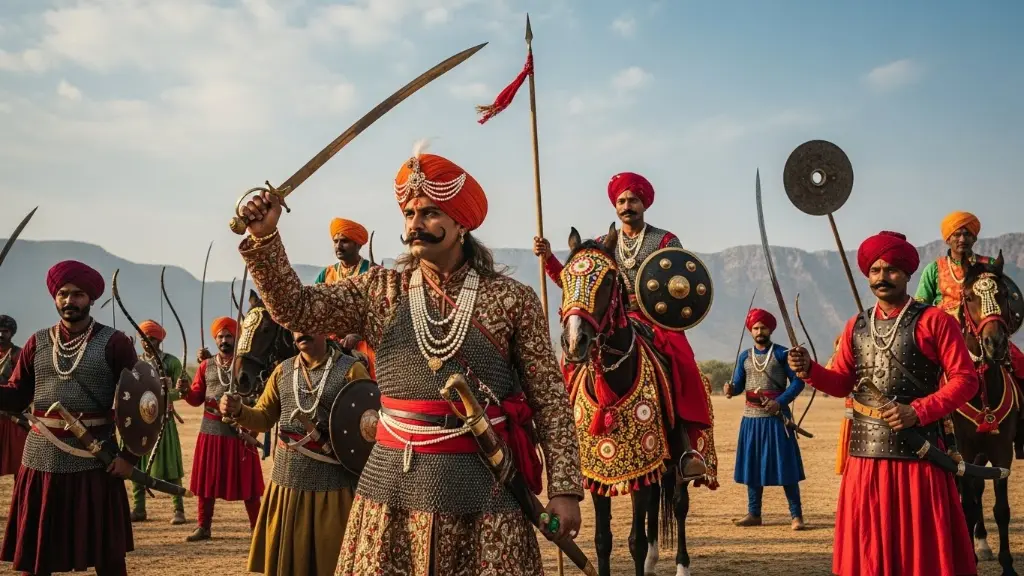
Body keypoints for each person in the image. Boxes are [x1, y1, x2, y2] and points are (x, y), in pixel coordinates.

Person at [236, 142, 583, 575]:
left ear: (461, 222)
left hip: (486, 492)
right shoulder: (380, 290)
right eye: (409, 214)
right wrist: (264, 238)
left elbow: (550, 399)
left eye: (430, 213)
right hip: (390, 490)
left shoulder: (512, 299)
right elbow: (296, 309)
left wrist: (565, 489)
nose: (415, 224)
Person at [788, 230, 978, 576]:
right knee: (870, 550)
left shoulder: (936, 321)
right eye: (875, 270)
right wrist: (810, 371)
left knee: (920, 552)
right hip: (865, 460)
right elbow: (842, 382)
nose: (882, 277)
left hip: (919, 457)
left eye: (891, 269)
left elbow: (966, 380)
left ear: (907, 274)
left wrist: (917, 411)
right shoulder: (856, 325)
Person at [533, 172, 713, 481]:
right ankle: (564, 434)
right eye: (621, 201)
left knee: (683, 361)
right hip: (608, 320)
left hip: (654, 320)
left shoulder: (665, 241)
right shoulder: (600, 245)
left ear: (644, 204)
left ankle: (685, 445)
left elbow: (680, 282)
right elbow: (577, 284)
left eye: (633, 200)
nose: (626, 206)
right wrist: (549, 258)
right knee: (570, 362)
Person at [0, 261, 138, 575]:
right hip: (41, 458)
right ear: (54, 297)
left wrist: (129, 457)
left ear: (90, 298)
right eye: (63, 293)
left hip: (94, 458)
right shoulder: (37, 341)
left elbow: (142, 404)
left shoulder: (114, 343)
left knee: (108, 557)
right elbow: (17, 395)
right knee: (37, 552)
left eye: (77, 294)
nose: (69, 300)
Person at [220, 330, 369, 575]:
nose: (301, 331)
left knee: (332, 563)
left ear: (323, 327)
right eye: (295, 327)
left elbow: (367, 426)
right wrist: (239, 410)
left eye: (307, 324)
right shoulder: (283, 370)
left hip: (334, 486)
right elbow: (264, 417)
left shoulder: (351, 370)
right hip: (288, 484)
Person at [914, 210, 1024, 457]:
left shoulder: (988, 265)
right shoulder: (934, 270)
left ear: (974, 237)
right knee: (921, 379)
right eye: (956, 234)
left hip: (985, 332)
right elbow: (921, 305)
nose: (962, 238)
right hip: (944, 339)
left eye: (967, 233)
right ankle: (922, 430)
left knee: (1020, 364)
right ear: (947, 238)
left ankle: (1021, 433)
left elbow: (1005, 298)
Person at [176, 317, 265, 542]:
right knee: (206, 483)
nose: (224, 340)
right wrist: (185, 391)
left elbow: (257, 398)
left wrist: (253, 430)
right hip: (211, 430)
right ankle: (203, 527)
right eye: (220, 337)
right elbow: (196, 399)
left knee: (248, 485)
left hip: (240, 430)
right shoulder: (205, 366)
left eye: (229, 336)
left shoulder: (245, 365)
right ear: (215, 339)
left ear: (237, 338)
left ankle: (257, 529)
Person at [724, 308, 806, 530]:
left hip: (777, 418)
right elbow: (739, 385)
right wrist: (731, 389)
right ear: (751, 331)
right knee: (752, 465)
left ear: (770, 329)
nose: (759, 331)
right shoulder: (745, 356)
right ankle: (754, 514)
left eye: (763, 328)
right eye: (755, 328)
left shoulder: (782, 354)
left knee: (786, 465)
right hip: (751, 419)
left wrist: (780, 402)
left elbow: (798, 382)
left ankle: (796, 516)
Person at [129, 319, 188, 525]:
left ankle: (178, 509)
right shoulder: (134, 362)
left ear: (159, 340)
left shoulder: (171, 362)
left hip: (164, 421)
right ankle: (139, 509)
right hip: (140, 421)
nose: (147, 343)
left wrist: (165, 395)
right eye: (143, 339)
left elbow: (183, 392)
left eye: (151, 339)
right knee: (137, 464)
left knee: (170, 465)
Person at [314, 217, 378, 378]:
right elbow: (314, 308)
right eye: (335, 241)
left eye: (344, 241)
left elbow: (382, 313)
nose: (338, 246)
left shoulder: (373, 272)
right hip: (329, 341)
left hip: (364, 340)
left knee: (371, 367)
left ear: (358, 244)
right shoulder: (326, 274)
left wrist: (358, 334)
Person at [0, 314, 27, 478]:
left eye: (5, 331)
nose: (1, 335)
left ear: (11, 333)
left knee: (21, 465)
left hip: (14, 419)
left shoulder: (20, 355)